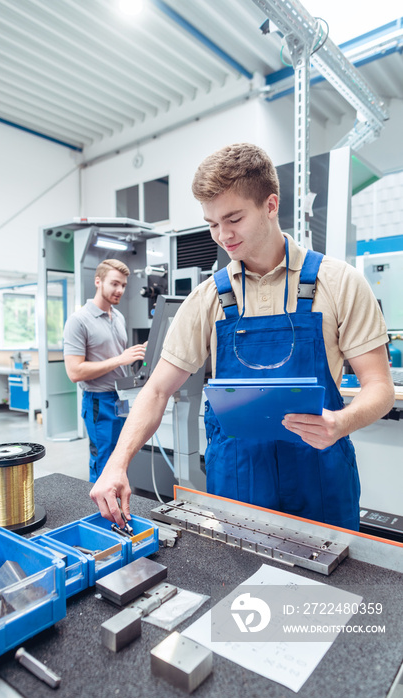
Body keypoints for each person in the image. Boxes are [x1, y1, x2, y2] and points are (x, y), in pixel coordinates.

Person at [89, 143, 394, 531]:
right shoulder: (208, 298)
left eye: (233, 218)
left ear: (270, 205)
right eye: (212, 223)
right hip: (238, 484)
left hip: (320, 479)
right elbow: (156, 390)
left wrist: (342, 422)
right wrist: (117, 463)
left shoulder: (338, 282)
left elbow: (379, 386)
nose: (222, 236)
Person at [63, 258, 147, 482]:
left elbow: (115, 358)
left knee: (121, 459)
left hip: (120, 399)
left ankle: (118, 510)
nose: (120, 290)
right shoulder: (78, 321)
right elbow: (75, 372)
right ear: (98, 281)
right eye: (114, 283)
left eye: (123, 285)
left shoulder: (117, 317)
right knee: (105, 460)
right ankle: (101, 515)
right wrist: (121, 359)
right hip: (99, 401)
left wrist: (136, 353)